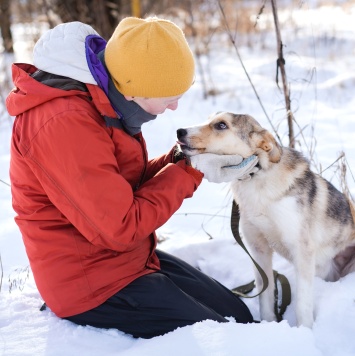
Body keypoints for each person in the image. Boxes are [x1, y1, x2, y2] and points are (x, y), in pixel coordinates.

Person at [6, 17, 259, 339]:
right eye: (168, 95)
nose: (175, 106)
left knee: (239, 317)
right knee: (227, 336)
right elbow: (119, 227)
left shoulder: (104, 101)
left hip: (126, 261)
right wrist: (191, 171)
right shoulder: (64, 122)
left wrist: (182, 159)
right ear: (134, 87)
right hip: (88, 284)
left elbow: (118, 186)